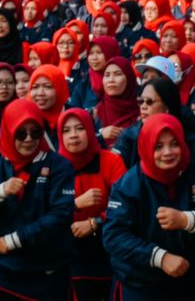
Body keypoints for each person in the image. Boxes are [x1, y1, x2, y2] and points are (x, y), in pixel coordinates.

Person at [102, 113, 195, 301]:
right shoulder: (128, 185)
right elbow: (114, 236)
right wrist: (159, 257)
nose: (168, 152)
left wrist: (187, 219)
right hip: (143, 284)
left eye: (174, 143)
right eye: (158, 146)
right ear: (146, 147)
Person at [57, 109, 125, 301]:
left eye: (80, 128)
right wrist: (75, 204)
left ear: (90, 129)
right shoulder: (55, 167)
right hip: (71, 251)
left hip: (110, 244)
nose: (73, 135)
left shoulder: (111, 160)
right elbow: (46, 212)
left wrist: (95, 222)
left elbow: (123, 207)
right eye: (66, 130)